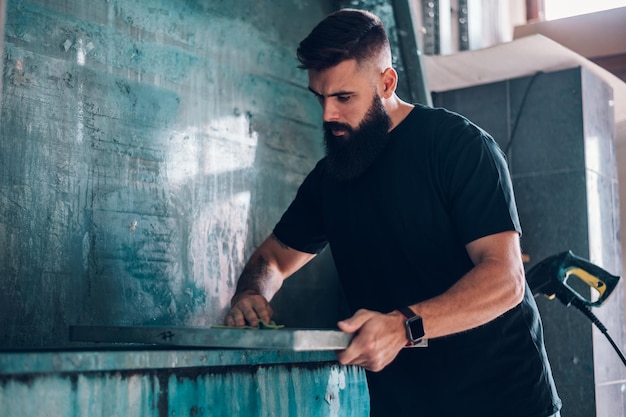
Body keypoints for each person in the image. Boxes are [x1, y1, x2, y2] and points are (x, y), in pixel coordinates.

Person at [225, 8, 561, 417]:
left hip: (504, 403)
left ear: (387, 82)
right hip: (402, 406)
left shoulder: (458, 147)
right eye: (321, 97)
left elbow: (504, 280)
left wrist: (405, 326)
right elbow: (273, 260)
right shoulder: (330, 178)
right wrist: (251, 292)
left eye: (344, 97)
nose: (328, 114)